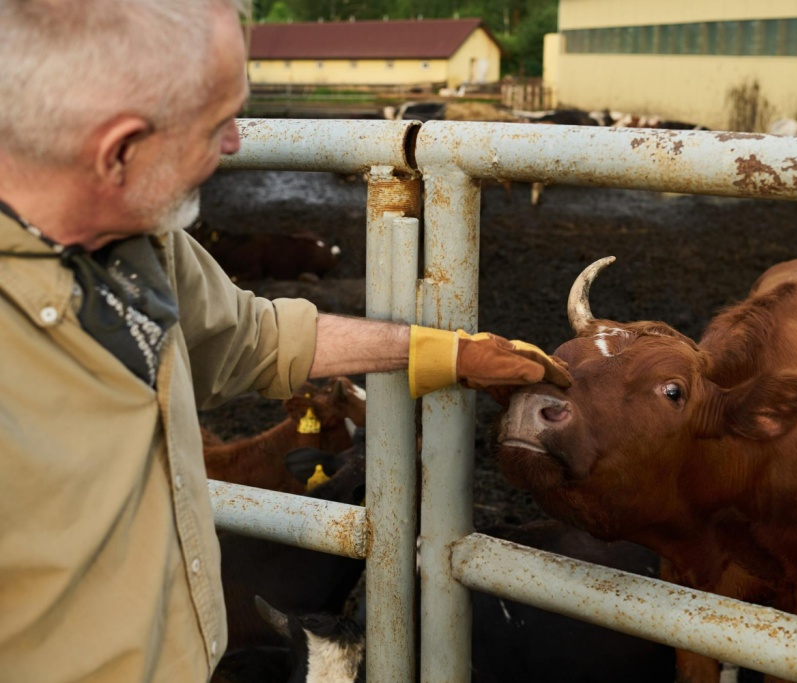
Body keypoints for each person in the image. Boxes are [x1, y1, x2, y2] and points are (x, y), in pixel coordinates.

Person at [0, 1, 571, 681]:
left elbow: (250, 337)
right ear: (119, 150)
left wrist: (445, 353)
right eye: (217, 123)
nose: (238, 141)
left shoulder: (141, 243)